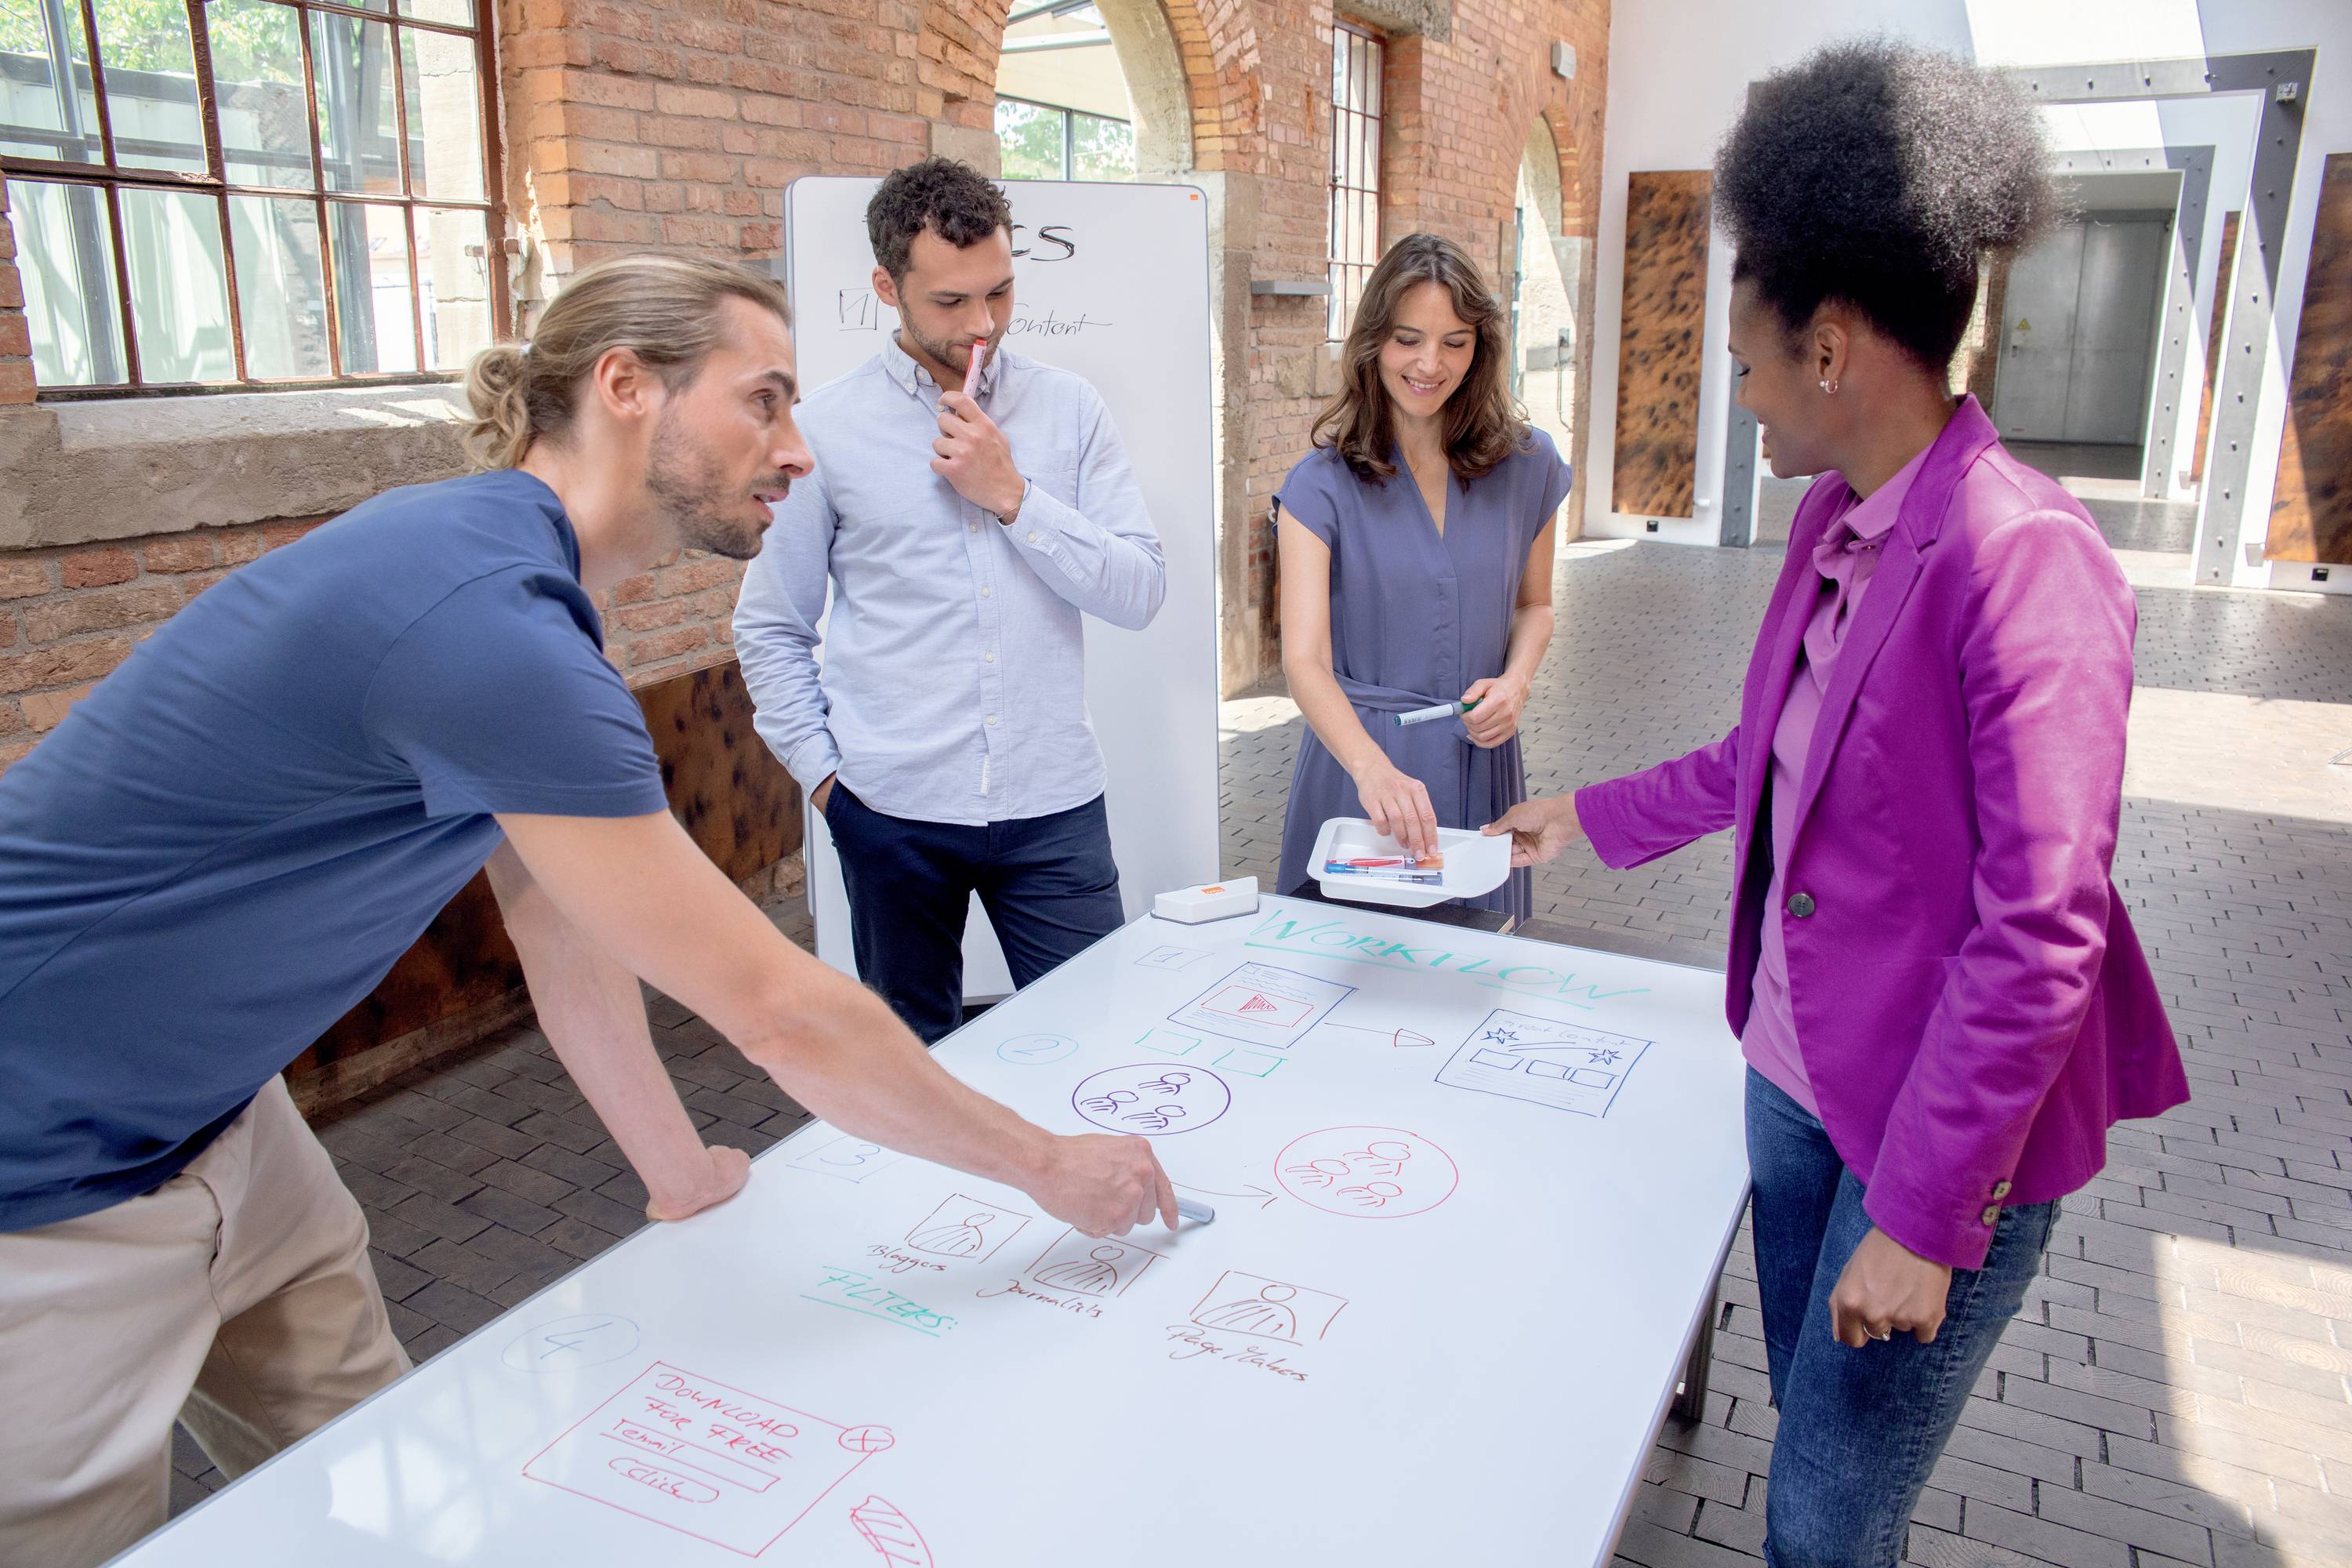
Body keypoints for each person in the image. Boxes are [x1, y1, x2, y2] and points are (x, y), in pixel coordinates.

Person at [0, 254, 1174, 1568]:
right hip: (37, 1179)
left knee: (363, 1462)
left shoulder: (521, 593)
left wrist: (681, 1175)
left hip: (224, 1118)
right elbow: (778, 1009)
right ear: (626, 388)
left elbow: (563, 928)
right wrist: (1047, 1166)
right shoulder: (490, 628)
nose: (797, 450)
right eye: (764, 403)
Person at [1483, 42, 2187, 1567]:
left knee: (1818, 1517)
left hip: (1928, 1132)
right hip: (1795, 1076)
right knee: (1808, 1439)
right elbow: (1771, 759)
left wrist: (1928, 1218)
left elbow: (2042, 929)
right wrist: (1583, 817)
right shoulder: (1833, 519)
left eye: (1742, 364)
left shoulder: (2025, 560)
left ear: (1831, 350)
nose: (1732, 401)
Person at [735, 158, 1164, 1042]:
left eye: (999, 294)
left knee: (1097, 1043)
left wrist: (1015, 496)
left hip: (1054, 806)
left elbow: (1139, 590)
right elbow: (770, 625)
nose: (982, 326)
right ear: (888, 286)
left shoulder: (1070, 409)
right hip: (890, 811)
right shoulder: (824, 430)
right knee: (912, 1065)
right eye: (951, 303)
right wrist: (829, 787)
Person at [1273, 233, 1567, 924]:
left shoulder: (1528, 466)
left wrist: (1515, 683)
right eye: (1408, 339)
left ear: (1482, 347)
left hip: (1482, 761)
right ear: (1373, 340)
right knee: (1353, 995)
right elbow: (1304, 661)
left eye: (1455, 342)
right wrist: (1371, 768)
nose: (1430, 365)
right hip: (1362, 772)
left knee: (1474, 992)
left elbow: (1536, 606)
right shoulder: (1321, 485)